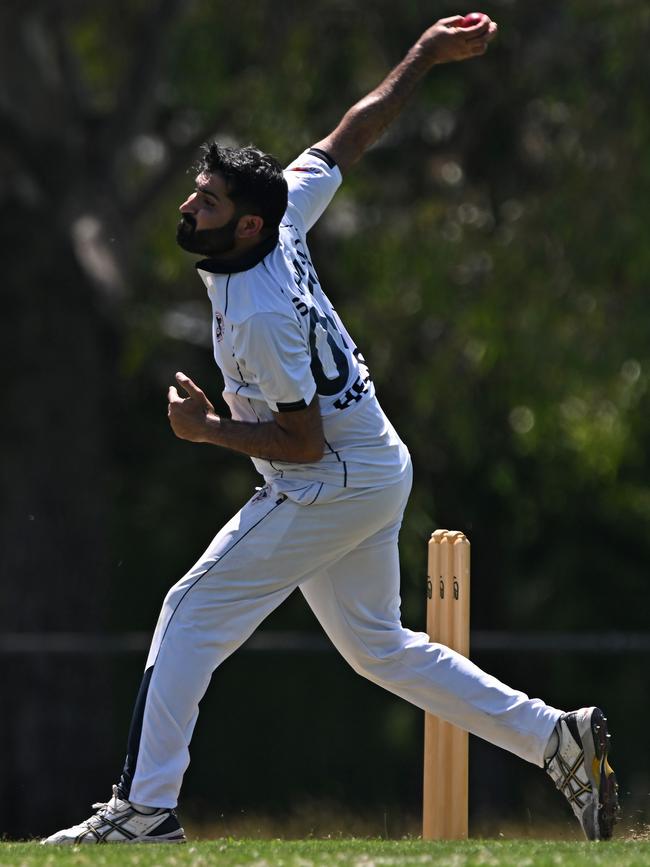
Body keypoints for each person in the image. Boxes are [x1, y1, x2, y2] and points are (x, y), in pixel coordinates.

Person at [43, 13, 618, 845]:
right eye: (194, 191)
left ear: (246, 225)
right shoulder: (285, 213)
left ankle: (144, 809)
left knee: (188, 611)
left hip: (330, 476)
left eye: (205, 201)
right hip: (376, 465)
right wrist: (424, 55)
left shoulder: (260, 314)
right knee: (379, 648)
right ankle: (554, 736)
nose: (187, 206)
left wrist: (206, 430)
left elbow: (303, 444)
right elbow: (353, 133)